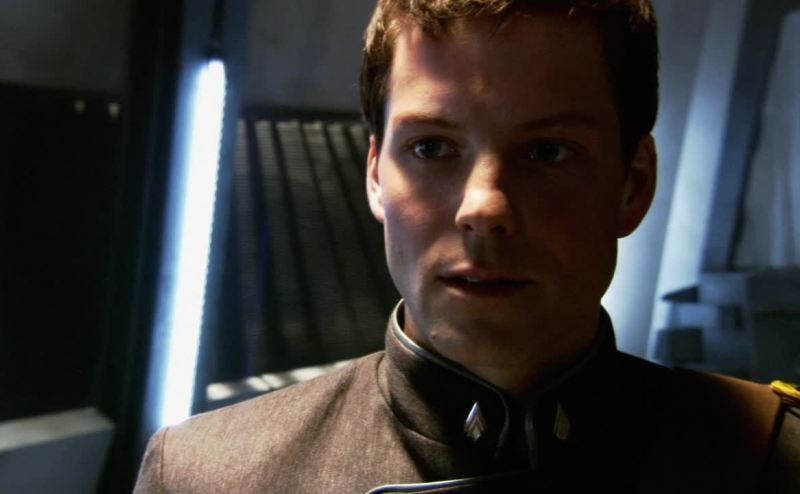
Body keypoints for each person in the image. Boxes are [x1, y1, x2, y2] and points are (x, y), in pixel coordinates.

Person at [134, 0, 799, 492]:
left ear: (633, 184)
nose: (484, 208)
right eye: (431, 148)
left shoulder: (772, 459)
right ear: (375, 176)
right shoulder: (205, 476)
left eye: (548, 151)